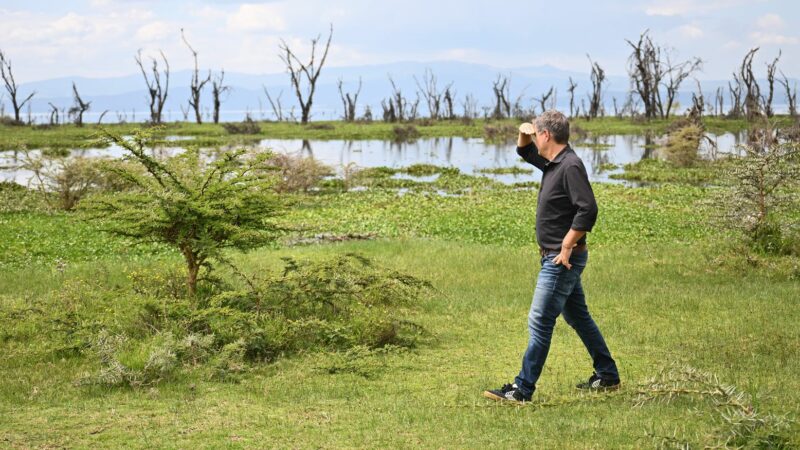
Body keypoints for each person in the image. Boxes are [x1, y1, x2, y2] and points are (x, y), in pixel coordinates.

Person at [483, 110, 620, 403]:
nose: (533, 137)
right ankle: (607, 375)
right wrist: (524, 129)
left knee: (540, 320)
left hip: (561, 259)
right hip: (555, 256)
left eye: (536, 132)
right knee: (579, 318)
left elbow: (588, 209)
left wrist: (568, 244)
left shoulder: (569, 165)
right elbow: (523, 150)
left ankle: (522, 389)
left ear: (546, 135)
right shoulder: (552, 162)